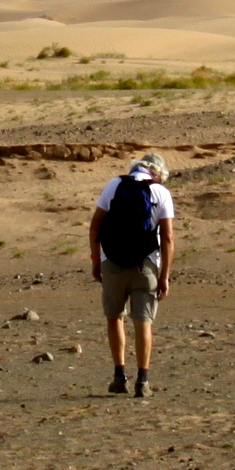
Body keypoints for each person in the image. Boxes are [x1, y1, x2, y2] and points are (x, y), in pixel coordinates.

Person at [88, 153, 175, 397]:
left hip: (112, 262)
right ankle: (142, 382)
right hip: (146, 264)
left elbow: (95, 225)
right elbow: (167, 237)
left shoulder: (114, 185)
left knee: (115, 317)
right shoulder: (160, 192)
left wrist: (96, 260)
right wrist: (164, 275)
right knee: (143, 321)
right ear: (157, 173)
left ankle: (119, 377)